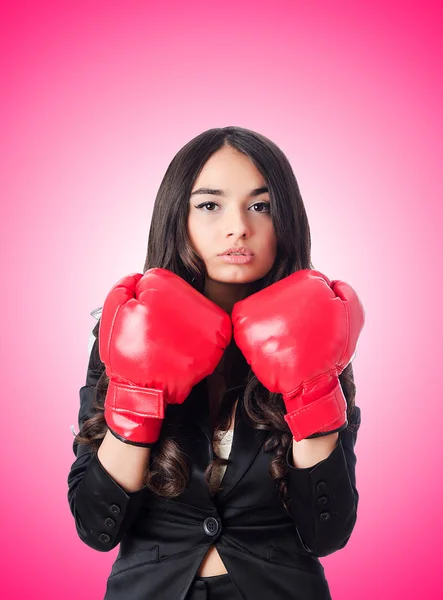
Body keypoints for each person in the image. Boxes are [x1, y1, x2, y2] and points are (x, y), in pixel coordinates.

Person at [67, 126, 365, 600]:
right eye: (210, 205)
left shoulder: (318, 334)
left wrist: (310, 394)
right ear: (176, 218)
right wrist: (139, 399)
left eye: (260, 205)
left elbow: (326, 534)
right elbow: (96, 526)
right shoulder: (125, 329)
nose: (238, 227)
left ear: (285, 220)